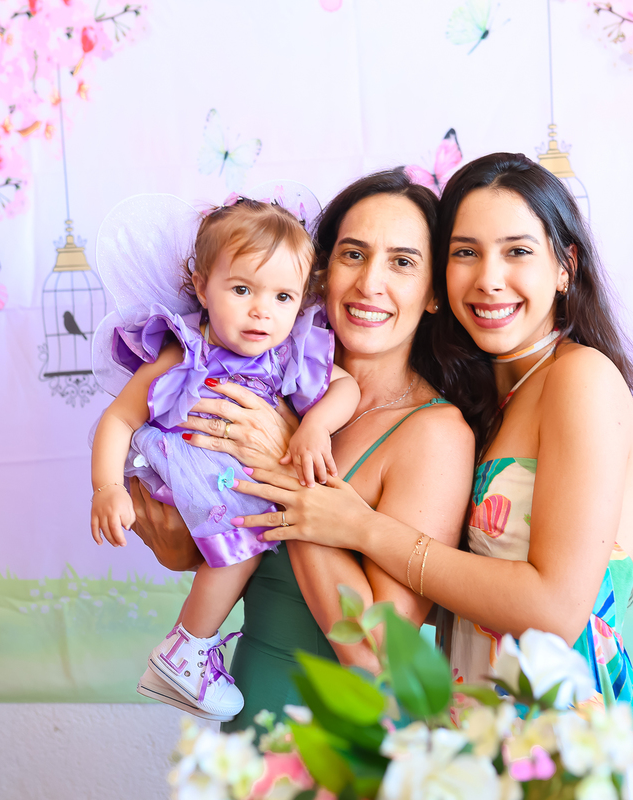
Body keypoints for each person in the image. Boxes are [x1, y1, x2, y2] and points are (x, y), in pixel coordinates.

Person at [234, 153, 633, 797]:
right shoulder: (494, 401)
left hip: (560, 743)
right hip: (475, 738)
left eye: (517, 251)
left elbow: (553, 610)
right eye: (466, 252)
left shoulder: (581, 378)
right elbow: (455, 600)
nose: (489, 279)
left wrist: (359, 526)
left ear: (565, 266)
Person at [127, 169, 478, 733]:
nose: (370, 283)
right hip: (248, 719)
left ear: (434, 291)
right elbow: (224, 538)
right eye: (353, 254)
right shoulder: (264, 387)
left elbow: (376, 657)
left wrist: (284, 468)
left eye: (403, 262)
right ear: (319, 273)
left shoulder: (433, 434)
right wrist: (179, 545)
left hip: (340, 745)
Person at [89, 198, 361, 720]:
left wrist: (315, 427)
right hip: (190, 472)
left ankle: (188, 647)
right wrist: (107, 488)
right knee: (245, 539)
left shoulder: (287, 352)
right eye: (242, 290)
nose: (262, 311)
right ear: (201, 287)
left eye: (283, 296)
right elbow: (119, 418)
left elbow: (345, 388)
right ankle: (188, 647)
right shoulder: (184, 351)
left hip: (234, 477)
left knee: (248, 539)